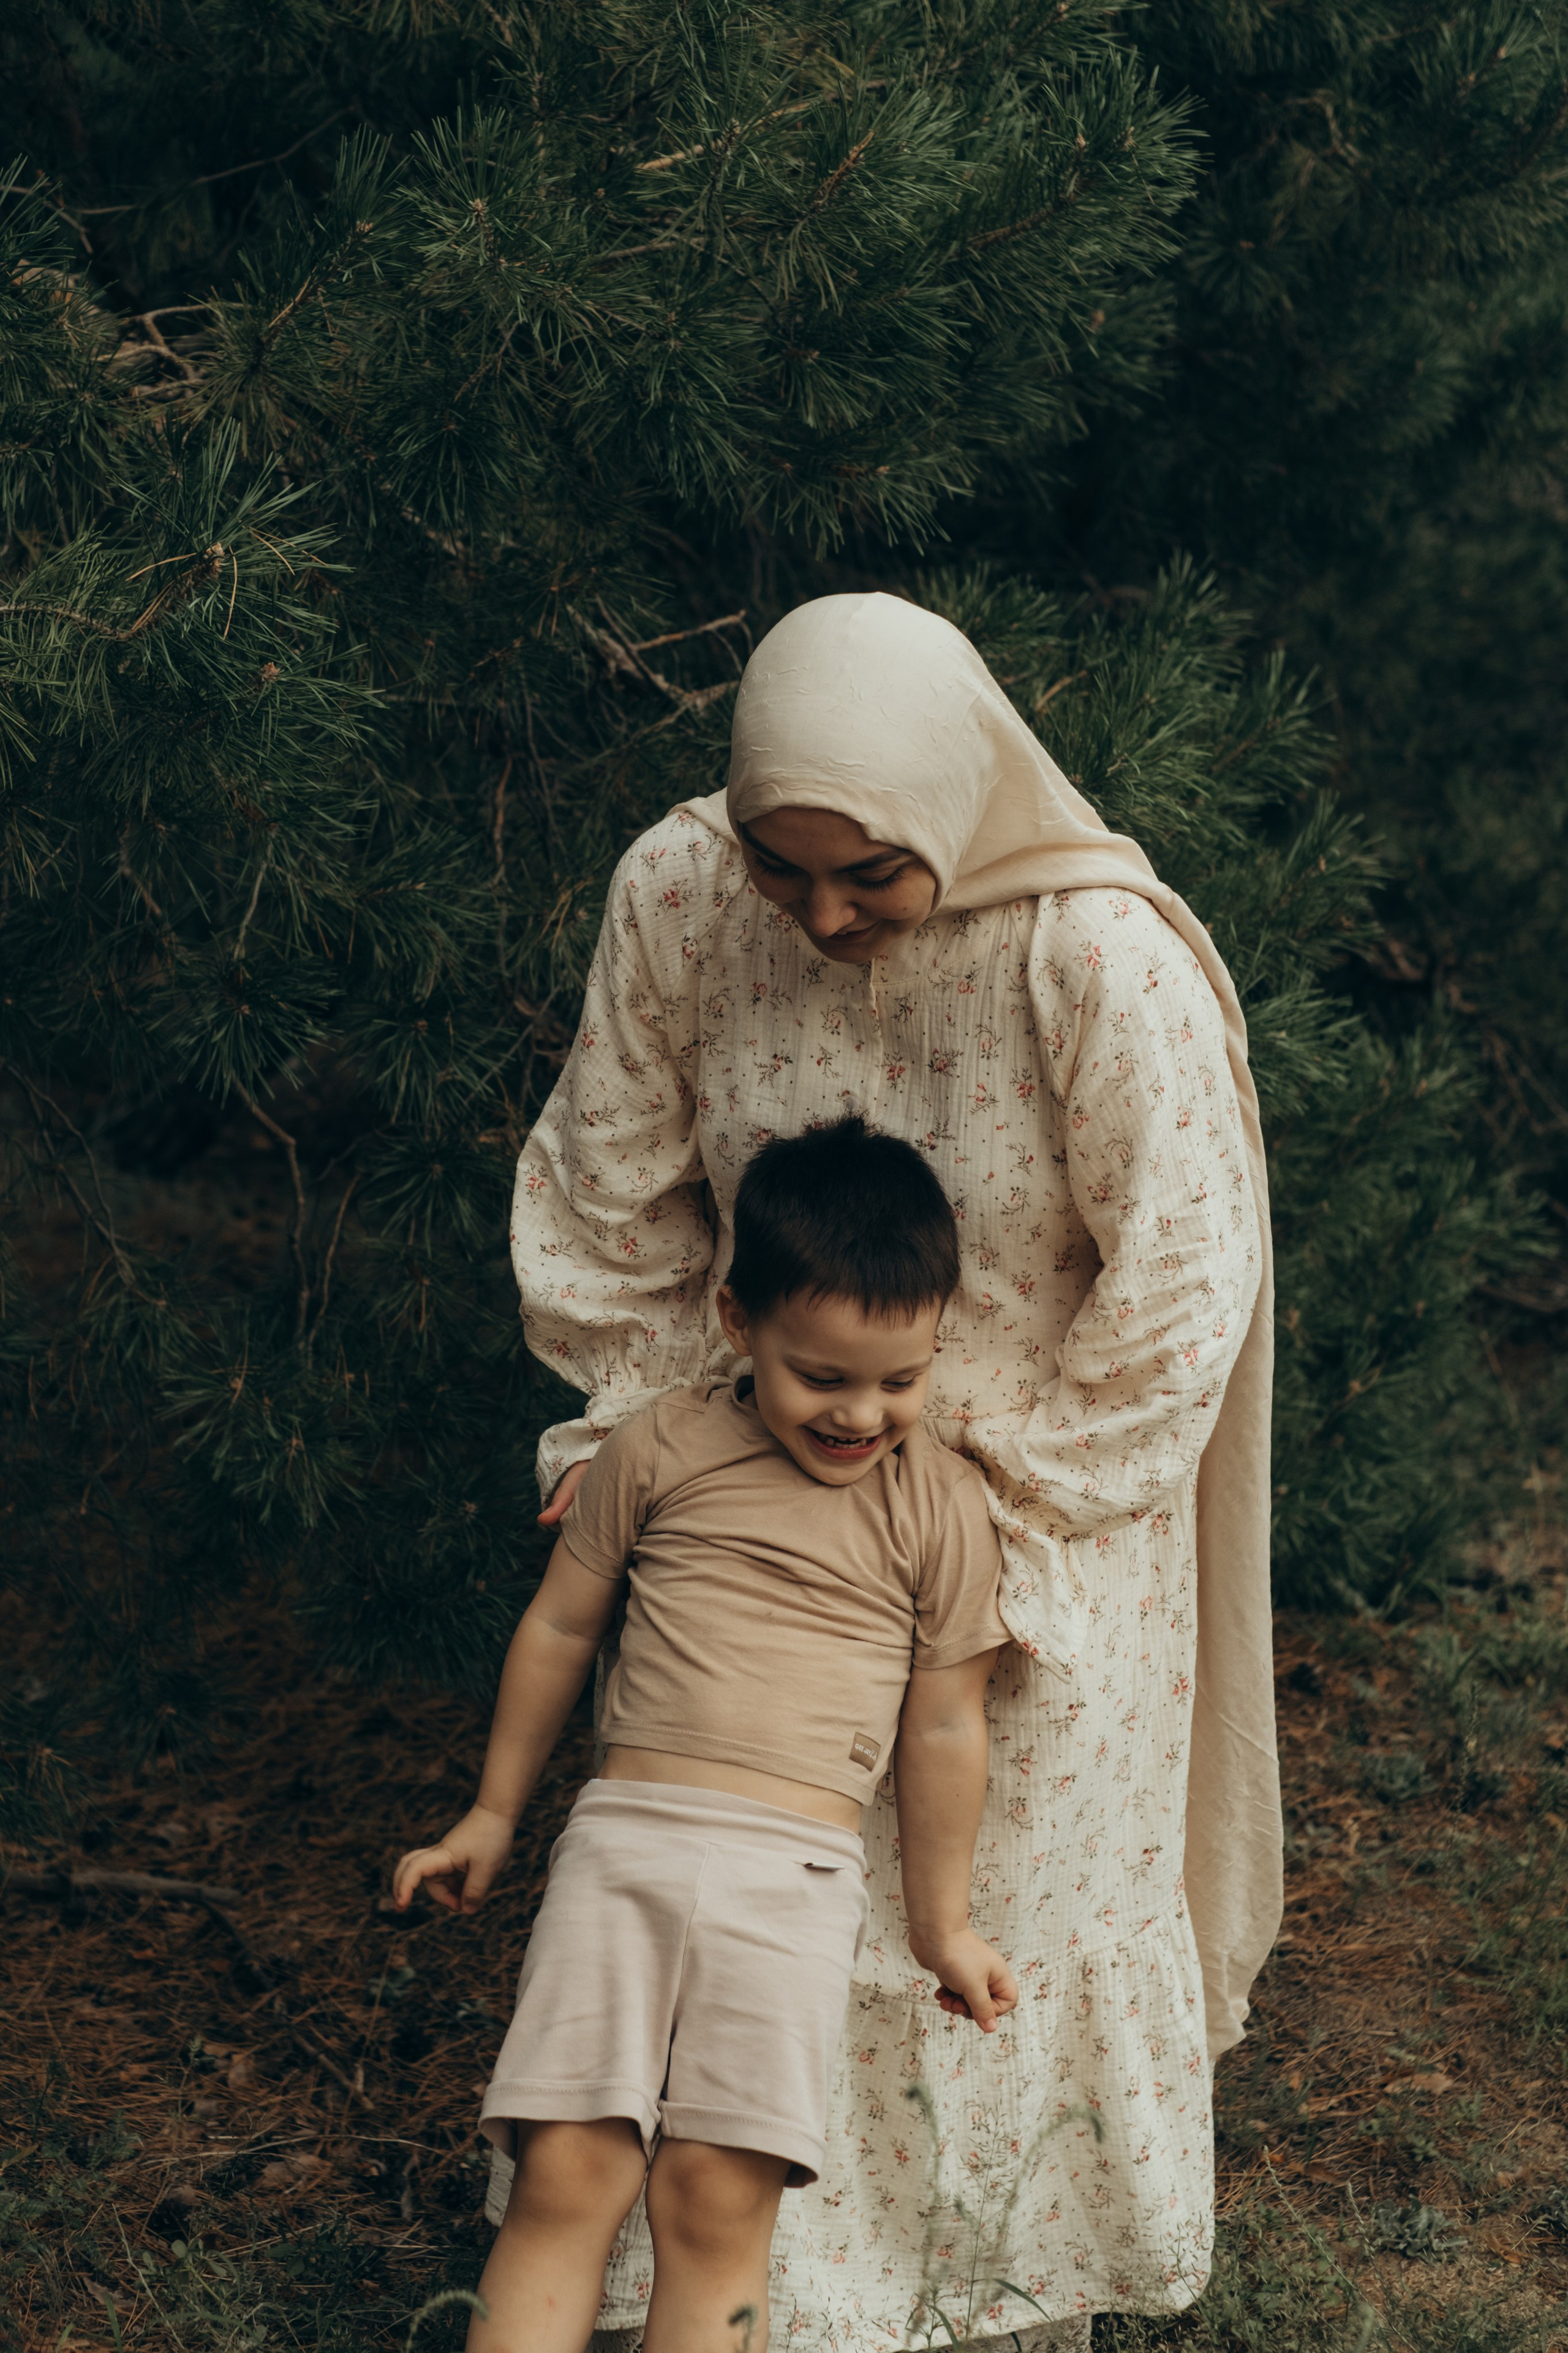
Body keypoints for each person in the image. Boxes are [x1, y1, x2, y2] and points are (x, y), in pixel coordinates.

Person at [501, 593, 1283, 2352]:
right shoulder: (684, 890)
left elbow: (1181, 1288)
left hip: (1020, 1522)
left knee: (973, 1934)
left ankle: (966, 2311)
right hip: (756, 1497)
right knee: (722, 1919)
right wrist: (647, 1441)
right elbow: (604, 1189)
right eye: (791, 872)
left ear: (951, 801)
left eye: (869, 875)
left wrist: (993, 1528)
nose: (823, 914)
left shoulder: (1090, 953)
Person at [395, 1117, 1018, 2353]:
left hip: (790, 1885)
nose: (859, 1414)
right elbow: (562, 1630)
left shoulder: (939, 1503)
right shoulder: (661, 1446)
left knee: (713, 2199)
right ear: (739, 1324)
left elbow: (945, 1721)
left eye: (899, 1380)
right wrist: (490, 1813)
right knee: (565, 2178)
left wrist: (941, 1923)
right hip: (620, 1850)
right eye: (821, 1375)